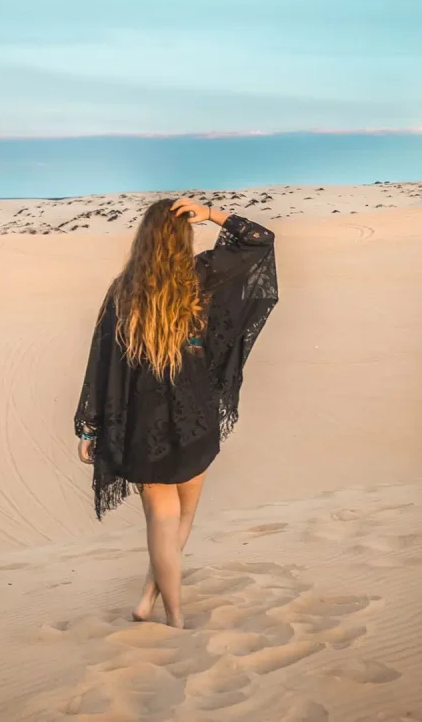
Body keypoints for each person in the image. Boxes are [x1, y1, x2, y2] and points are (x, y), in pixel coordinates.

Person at [74, 198, 278, 628]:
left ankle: (160, 606)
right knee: (183, 517)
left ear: (144, 240)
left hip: (143, 424)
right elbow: (260, 240)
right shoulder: (200, 277)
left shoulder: (123, 292)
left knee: (161, 522)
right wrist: (212, 213)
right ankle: (169, 615)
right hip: (194, 417)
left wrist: (91, 427)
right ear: (183, 237)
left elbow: (102, 364)